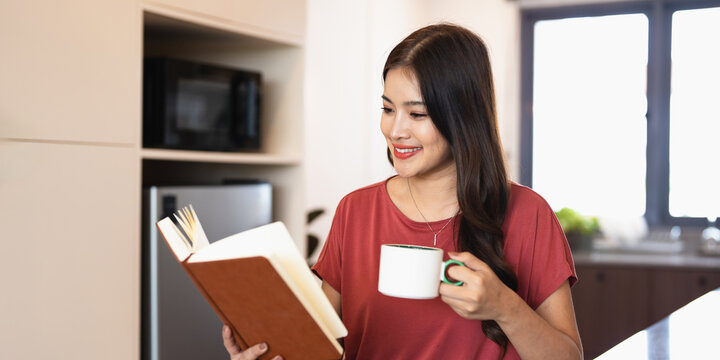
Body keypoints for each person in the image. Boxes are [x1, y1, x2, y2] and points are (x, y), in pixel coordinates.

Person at [222, 23, 583, 360]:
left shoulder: (527, 213)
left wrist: (505, 307)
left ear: (464, 118)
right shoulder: (356, 211)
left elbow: (569, 355)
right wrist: (268, 346)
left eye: (417, 114)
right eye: (387, 109)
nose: (395, 130)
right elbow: (321, 347)